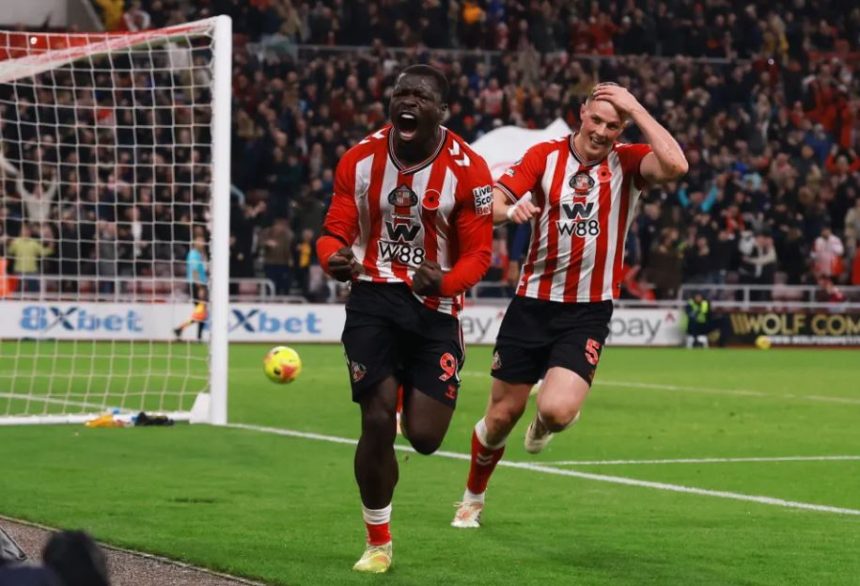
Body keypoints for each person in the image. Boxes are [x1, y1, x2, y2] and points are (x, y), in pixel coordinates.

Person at [451, 82, 688, 528]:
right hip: (531, 306)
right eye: (596, 120)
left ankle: (544, 424)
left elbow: (676, 164)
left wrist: (636, 108)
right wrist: (510, 212)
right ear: (581, 112)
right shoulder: (544, 156)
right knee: (501, 417)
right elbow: (494, 202)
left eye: (613, 125)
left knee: (557, 412)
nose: (602, 131)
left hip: (587, 311)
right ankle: (472, 497)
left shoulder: (629, 161)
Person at [315, 64, 494, 573]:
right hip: (372, 298)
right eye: (400, 93)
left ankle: (400, 398)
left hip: (434, 309)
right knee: (375, 420)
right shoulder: (360, 159)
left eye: (420, 95)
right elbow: (333, 230)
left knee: (425, 438)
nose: (407, 101)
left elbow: (479, 255)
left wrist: (446, 282)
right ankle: (378, 542)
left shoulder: (470, 170)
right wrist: (333, 257)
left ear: (442, 111)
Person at [173, 236, 208, 340]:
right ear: (194, 242)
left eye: (202, 241)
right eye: (200, 241)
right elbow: (194, 269)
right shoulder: (194, 254)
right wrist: (199, 286)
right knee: (201, 312)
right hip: (196, 285)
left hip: (199, 284)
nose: (202, 243)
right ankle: (184, 330)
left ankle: (181, 330)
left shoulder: (199, 254)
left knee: (201, 312)